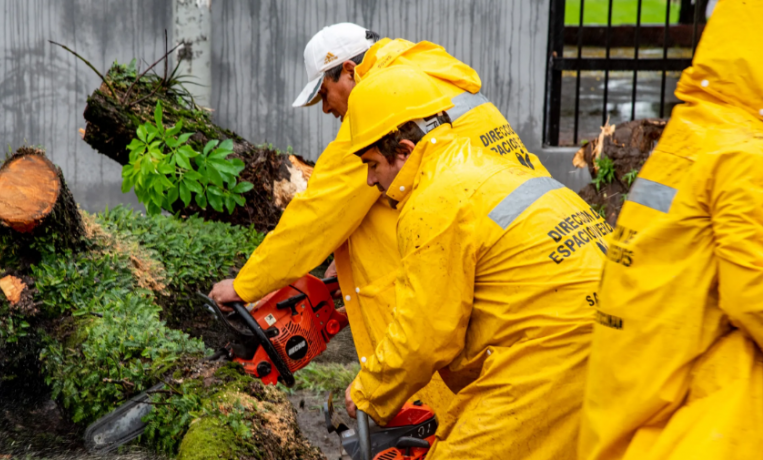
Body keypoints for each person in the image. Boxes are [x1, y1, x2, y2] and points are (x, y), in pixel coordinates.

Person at [208, 23, 550, 427]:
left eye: (323, 93)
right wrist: (349, 254)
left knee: (450, 392)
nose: (326, 108)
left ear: (349, 72)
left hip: (478, 262)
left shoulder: (381, 108)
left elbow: (317, 214)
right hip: (527, 247)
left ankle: (425, 417)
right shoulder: (432, 76)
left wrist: (246, 285)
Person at [343, 65, 610, 459]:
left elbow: (425, 334)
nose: (369, 180)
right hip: (616, 331)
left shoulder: (433, 200)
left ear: (404, 151)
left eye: (372, 164)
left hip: (558, 349)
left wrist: (368, 390)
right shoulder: (487, 165)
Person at [578, 1, 763, 459]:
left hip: (634, 398)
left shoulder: (690, 133)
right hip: (693, 423)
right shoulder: (742, 155)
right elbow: (752, 296)